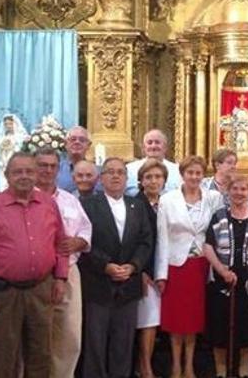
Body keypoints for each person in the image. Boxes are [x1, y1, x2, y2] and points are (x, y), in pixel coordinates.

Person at [0, 152, 69, 378]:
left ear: (36, 174)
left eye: (29, 171)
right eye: (18, 172)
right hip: (4, 293)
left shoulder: (48, 203)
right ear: (6, 175)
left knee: (41, 354)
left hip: (42, 289)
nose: (24, 176)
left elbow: (61, 243)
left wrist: (61, 278)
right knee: (3, 357)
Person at [78, 158, 154, 378]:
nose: (115, 176)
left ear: (126, 178)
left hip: (128, 285)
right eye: (110, 172)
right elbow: (84, 241)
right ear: (101, 178)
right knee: (96, 343)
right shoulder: (88, 205)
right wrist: (106, 266)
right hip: (98, 284)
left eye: (120, 172)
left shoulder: (137, 205)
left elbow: (146, 241)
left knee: (123, 344)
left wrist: (133, 266)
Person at [155, 155, 223, 378]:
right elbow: (162, 238)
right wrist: (161, 274)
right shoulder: (168, 199)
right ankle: (176, 365)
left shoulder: (213, 197)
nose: (194, 176)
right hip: (177, 265)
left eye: (198, 173)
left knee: (194, 320)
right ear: (182, 174)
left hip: (201, 265)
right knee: (176, 320)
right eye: (190, 172)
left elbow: (217, 232)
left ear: (204, 175)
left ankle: (189, 366)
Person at [203, 175, 248, 378]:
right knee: (219, 326)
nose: (239, 193)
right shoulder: (219, 216)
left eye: (244, 189)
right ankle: (221, 371)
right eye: (235, 188)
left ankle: (244, 370)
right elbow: (208, 246)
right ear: (228, 192)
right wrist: (221, 270)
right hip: (221, 279)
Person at [33, 147, 92, 378]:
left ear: (59, 170)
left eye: (52, 166)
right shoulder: (25, 197)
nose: (48, 170)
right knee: (36, 336)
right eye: (43, 165)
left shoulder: (70, 200)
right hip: (37, 275)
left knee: (69, 336)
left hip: (69, 271)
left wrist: (79, 241)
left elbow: (86, 229)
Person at [134, 158, 168, 378]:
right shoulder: (134, 204)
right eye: (148, 177)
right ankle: (145, 367)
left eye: (158, 177)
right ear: (141, 181)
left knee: (157, 321)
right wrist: (142, 271)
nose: (153, 181)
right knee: (147, 320)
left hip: (164, 268)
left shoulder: (168, 203)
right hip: (144, 271)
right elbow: (132, 241)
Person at [0, 114, 29, 196]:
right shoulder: (1, 138)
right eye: (6, 124)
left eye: (10, 124)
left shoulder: (21, 138)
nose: (8, 126)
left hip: (14, 164)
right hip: (1, 166)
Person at [126, 129, 182, 196]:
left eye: (157, 142)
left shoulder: (178, 170)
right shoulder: (129, 169)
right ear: (143, 147)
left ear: (165, 147)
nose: (153, 146)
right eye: (149, 143)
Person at [57, 125, 93, 193]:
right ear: (65, 144)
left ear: (88, 145)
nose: (77, 142)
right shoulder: (56, 169)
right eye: (73, 139)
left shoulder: (95, 171)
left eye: (82, 140)